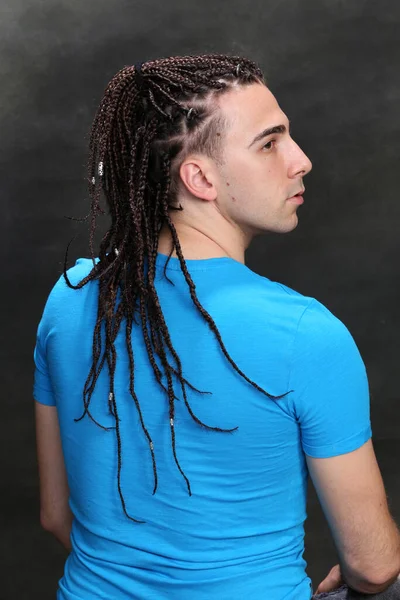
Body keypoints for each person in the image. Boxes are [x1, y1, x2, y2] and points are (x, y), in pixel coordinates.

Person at [33, 53, 400, 600]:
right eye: (270, 143)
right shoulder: (305, 334)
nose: (301, 160)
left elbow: (56, 516)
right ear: (200, 177)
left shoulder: (70, 298)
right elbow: (373, 568)